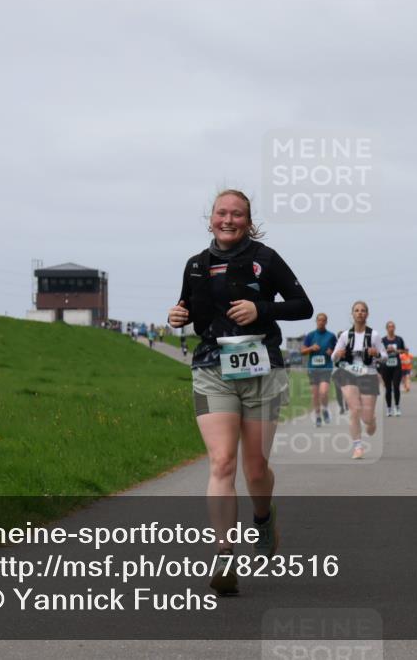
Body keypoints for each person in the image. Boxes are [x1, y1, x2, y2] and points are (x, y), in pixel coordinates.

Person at [167, 188, 313, 596]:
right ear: (210, 218)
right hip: (212, 369)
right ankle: (224, 554)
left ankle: (264, 519)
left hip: (262, 369)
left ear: (249, 221)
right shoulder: (196, 265)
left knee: (254, 468)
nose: (227, 220)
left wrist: (260, 309)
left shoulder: (266, 259)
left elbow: (302, 305)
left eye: (236, 215)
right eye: (221, 213)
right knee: (222, 462)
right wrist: (176, 314)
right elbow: (189, 309)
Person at [332, 301, 385, 459]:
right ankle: (358, 447)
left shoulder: (374, 335)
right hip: (348, 373)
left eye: (363, 310)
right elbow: (333, 356)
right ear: (352, 314)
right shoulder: (345, 335)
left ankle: (371, 420)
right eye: (356, 310)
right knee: (354, 410)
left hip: (368, 374)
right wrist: (338, 354)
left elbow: (384, 357)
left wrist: (376, 353)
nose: (360, 313)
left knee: (366, 418)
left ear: (367, 314)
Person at [301, 313, 337, 426]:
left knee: (323, 392)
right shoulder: (310, 336)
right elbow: (302, 351)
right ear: (316, 321)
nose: (321, 322)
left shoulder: (331, 336)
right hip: (313, 369)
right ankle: (317, 416)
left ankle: (325, 409)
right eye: (319, 320)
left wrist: (332, 353)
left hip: (326, 368)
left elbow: (337, 352)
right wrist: (311, 348)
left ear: (326, 322)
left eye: (323, 320)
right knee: (315, 395)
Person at [379, 321, 406, 417]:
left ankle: (397, 407)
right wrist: (387, 350)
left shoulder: (399, 339)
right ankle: (389, 408)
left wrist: (395, 350)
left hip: (396, 367)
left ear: (394, 328)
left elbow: (403, 350)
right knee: (388, 388)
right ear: (387, 328)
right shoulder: (382, 340)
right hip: (386, 367)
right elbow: (379, 352)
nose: (391, 328)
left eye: (393, 326)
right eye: (389, 326)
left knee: (396, 386)